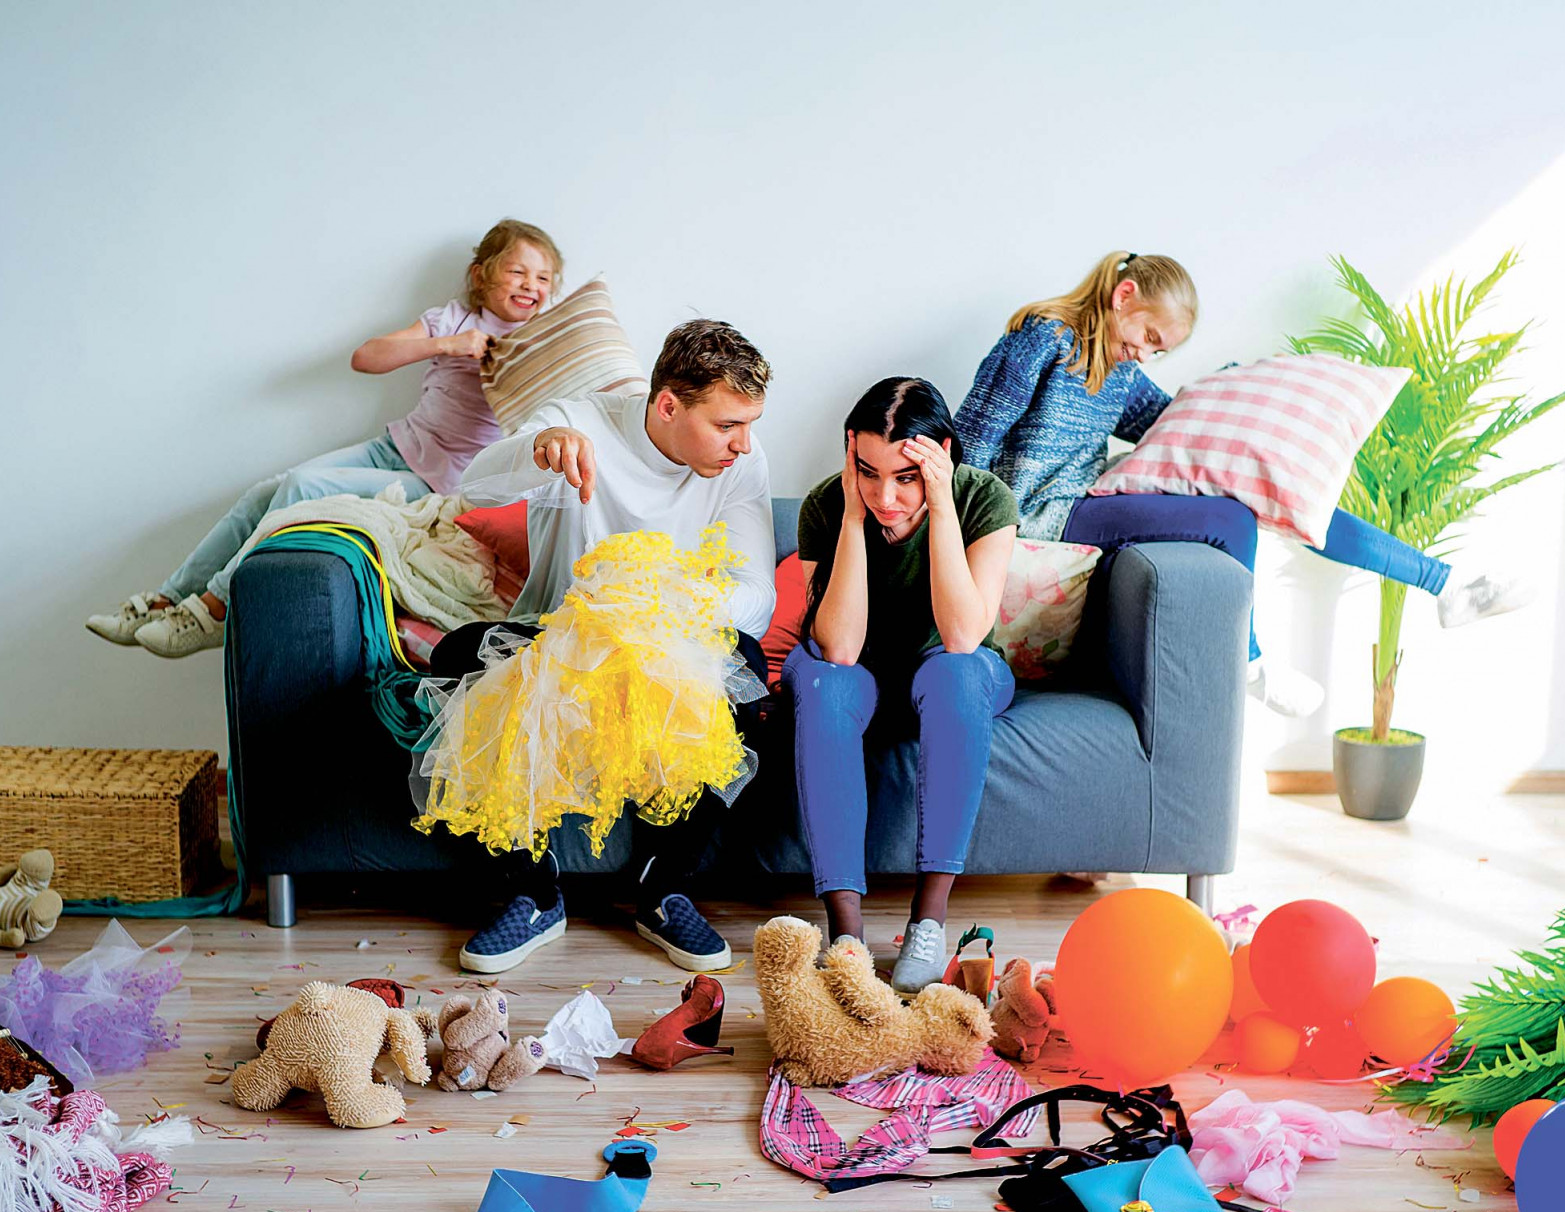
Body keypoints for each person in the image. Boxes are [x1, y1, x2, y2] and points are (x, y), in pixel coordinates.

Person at [955, 250, 1532, 717]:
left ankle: (1444, 583)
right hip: (1039, 515)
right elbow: (973, 438)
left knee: (1278, 493)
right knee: (1230, 520)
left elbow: (1174, 422)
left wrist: (1246, 403)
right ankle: (1249, 661)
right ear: (1123, 295)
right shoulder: (1043, 339)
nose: (1147, 354)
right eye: (1149, 336)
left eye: (1160, 349)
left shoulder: (1121, 372)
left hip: (1081, 501)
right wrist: (958, 540)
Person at [425, 319, 777, 975]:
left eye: (749, 424)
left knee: (748, 667)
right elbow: (473, 487)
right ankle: (534, 895)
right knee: (457, 659)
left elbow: (757, 594)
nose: (743, 442)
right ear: (667, 405)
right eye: (727, 424)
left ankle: (661, 889)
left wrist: (654, 610)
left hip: (670, 643)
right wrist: (535, 451)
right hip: (557, 638)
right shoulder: (578, 422)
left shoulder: (742, 465)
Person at [84, 218, 563, 658]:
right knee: (262, 494)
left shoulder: (538, 343)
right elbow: (365, 357)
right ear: (481, 275)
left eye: (543, 278)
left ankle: (216, 607)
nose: (531, 285)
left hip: (438, 480)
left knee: (302, 487)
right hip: (394, 448)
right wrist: (448, 344)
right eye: (518, 272)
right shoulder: (453, 319)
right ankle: (165, 599)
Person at [783, 377, 1018, 995]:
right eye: (868, 472)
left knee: (957, 672)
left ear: (941, 457)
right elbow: (840, 647)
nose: (885, 496)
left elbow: (963, 635)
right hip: (859, 674)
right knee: (825, 682)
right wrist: (852, 517)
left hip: (950, 671)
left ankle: (928, 922)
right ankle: (846, 934)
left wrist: (940, 508)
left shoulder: (983, 498)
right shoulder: (827, 504)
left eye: (906, 477)